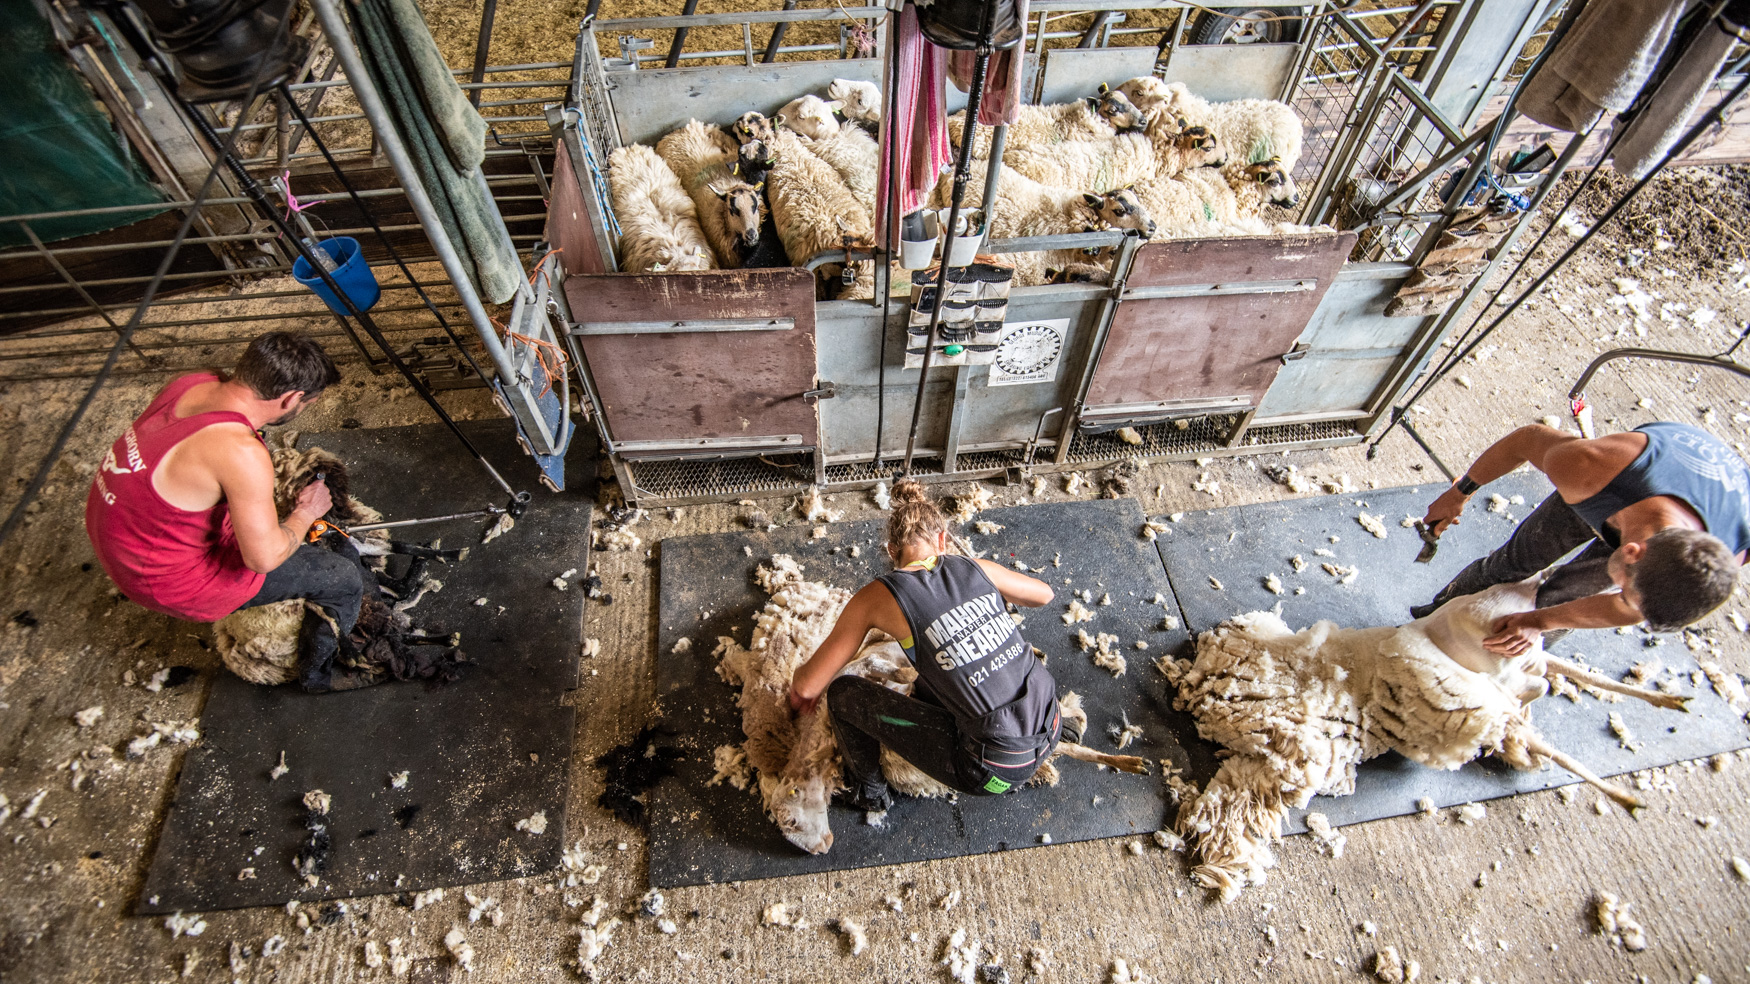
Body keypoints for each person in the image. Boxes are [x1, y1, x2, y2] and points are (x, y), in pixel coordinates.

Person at [85, 331, 375, 692]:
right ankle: (319, 674)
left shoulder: (191, 383)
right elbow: (262, 559)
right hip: (167, 582)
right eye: (308, 404)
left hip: (119, 538)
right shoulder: (239, 453)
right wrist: (305, 513)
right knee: (342, 578)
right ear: (291, 398)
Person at [787, 480, 1064, 812]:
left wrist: (800, 687)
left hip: (993, 771)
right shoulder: (979, 568)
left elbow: (807, 685)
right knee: (938, 671)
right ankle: (1061, 731)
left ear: (892, 551)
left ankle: (869, 790)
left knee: (843, 694)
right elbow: (1044, 595)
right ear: (943, 540)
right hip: (1052, 721)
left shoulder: (877, 597)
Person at [1416, 420, 1745, 655]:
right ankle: (1429, 623)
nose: (1625, 600)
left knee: (1561, 599)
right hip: (1624, 482)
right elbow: (1526, 440)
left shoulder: (1722, 559)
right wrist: (1460, 492)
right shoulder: (1591, 469)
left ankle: (1490, 668)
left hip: (1667, 513)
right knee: (1514, 561)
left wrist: (1538, 622)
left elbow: (1631, 609)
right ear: (1631, 552)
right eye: (1626, 594)